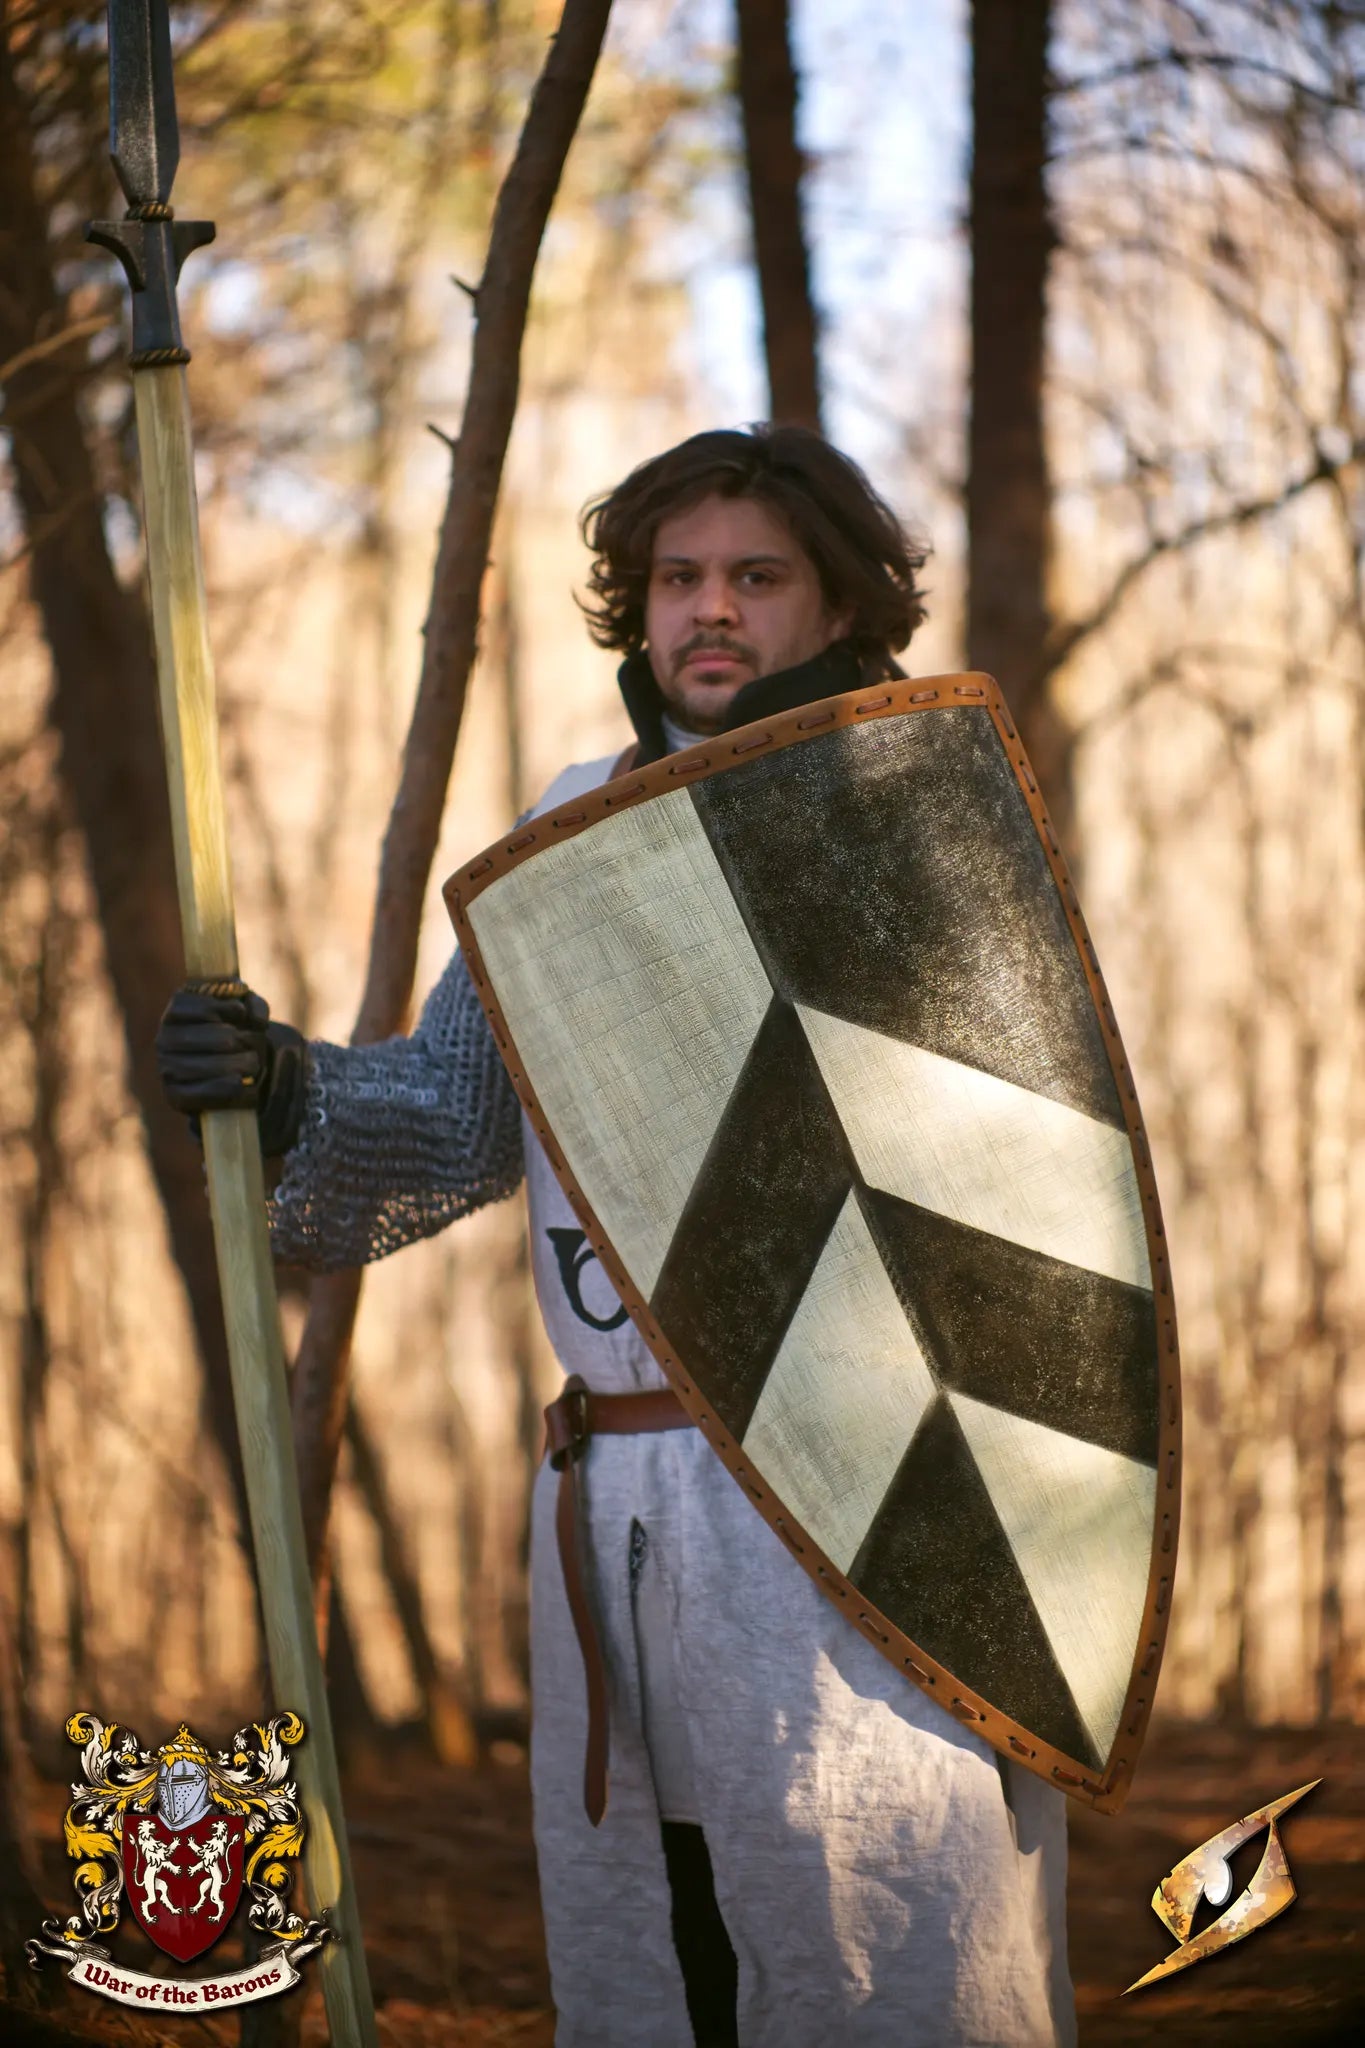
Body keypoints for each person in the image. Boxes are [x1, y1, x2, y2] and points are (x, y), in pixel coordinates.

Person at [157, 425, 1077, 2047]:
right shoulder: (574, 826)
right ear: (634, 608)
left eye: (754, 577)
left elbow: (995, 1213)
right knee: (657, 1960)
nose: (707, 611)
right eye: (677, 581)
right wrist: (293, 1086)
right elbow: (454, 1122)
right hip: (617, 1496)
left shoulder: (900, 811)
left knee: (877, 1947)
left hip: (857, 1499)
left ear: (835, 604)